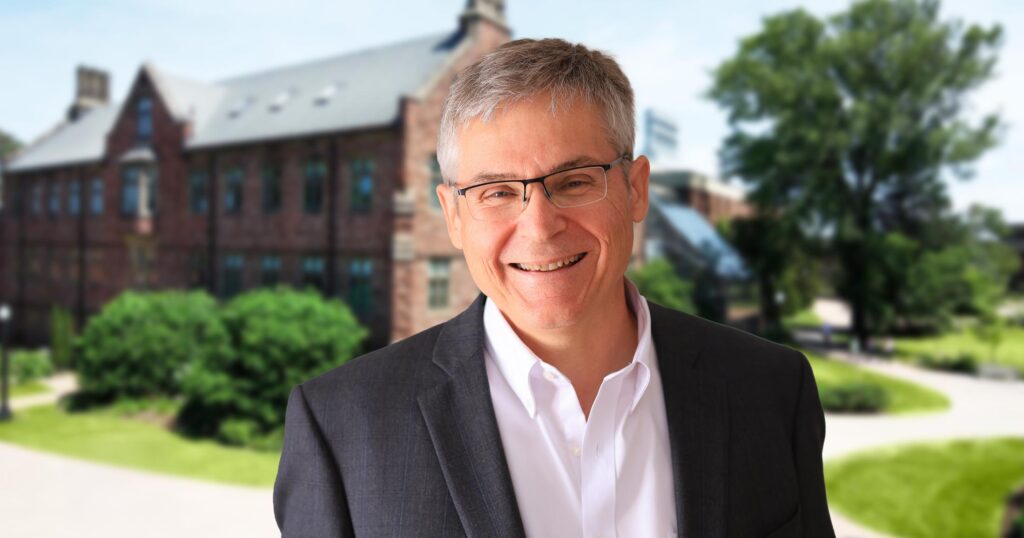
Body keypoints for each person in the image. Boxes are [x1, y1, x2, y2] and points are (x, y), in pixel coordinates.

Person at [274, 38, 835, 537]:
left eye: (574, 182)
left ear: (636, 190)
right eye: (495, 192)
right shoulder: (342, 428)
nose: (539, 227)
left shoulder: (772, 392)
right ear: (453, 215)